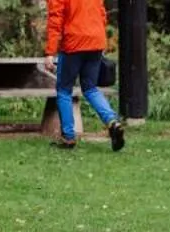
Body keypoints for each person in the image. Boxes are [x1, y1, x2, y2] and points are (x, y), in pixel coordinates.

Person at [44, 0, 127, 151]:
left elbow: (55, 18)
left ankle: (68, 137)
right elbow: (101, 13)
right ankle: (112, 122)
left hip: (73, 42)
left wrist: (50, 52)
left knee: (64, 89)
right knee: (90, 88)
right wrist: (100, 39)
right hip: (96, 40)